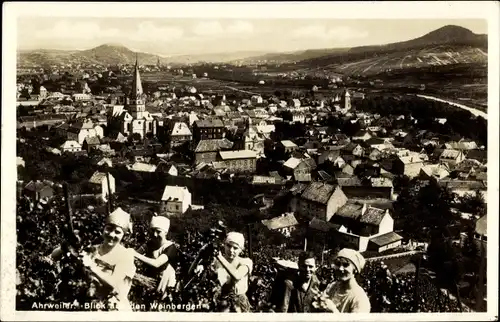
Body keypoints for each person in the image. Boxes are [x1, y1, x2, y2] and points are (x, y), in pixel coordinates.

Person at [48, 207, 137, 311]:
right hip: (89, 304)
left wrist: (91, 266)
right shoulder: (93, 249)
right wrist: (65, 245)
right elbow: (54, 257)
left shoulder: (125, 255)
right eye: (108, 229)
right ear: (103, 229)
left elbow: (114, 284)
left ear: (123, 235)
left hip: (113, 306)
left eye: (117, 232)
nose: (112, 234)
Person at [194, 231, 253, 312]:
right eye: (228, 246)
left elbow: (237, 275)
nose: (231, 250)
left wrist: (219, 256)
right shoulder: (217, 261)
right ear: (224, 245)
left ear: (241, 249)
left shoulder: (246, 262)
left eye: (235, 248)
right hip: (220, 303)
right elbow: (192, 273)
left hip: (238, 305)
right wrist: (199, 256)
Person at [132, 215, 179, 298]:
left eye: (158, 231)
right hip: (151, 282)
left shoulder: (171, 247)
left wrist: (136, 254)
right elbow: (136, 253)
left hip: (165, 283)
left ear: (165, 232)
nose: (155, 234)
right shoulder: (150, 243)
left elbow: (157, 263)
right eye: (153, 231)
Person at [313, 248, 370, 313]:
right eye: (338, 264)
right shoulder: (333, 287)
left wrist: (333, 310)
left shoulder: (359, 298)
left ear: (355, 269)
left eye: (345, 265)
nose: (340, 268)